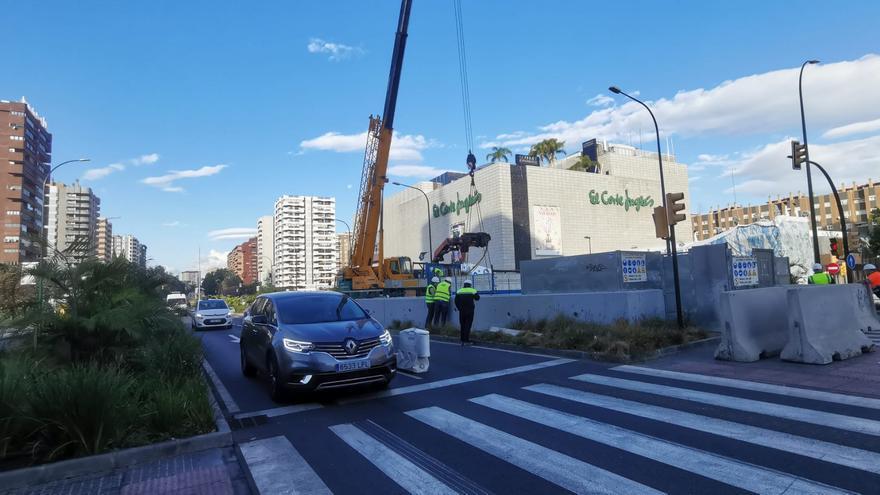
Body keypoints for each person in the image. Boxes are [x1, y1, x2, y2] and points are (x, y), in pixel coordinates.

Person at [454, 280, 480, 345]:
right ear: (470, 284)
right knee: (468, 325)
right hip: (470, 310)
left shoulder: (459, 291)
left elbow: (456, 301)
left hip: (462, 311)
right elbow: (477, 298)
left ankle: (462, 339)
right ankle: (466, 340)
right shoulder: (473, 290)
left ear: (464, 284)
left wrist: (459, 308)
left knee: (462, 325)